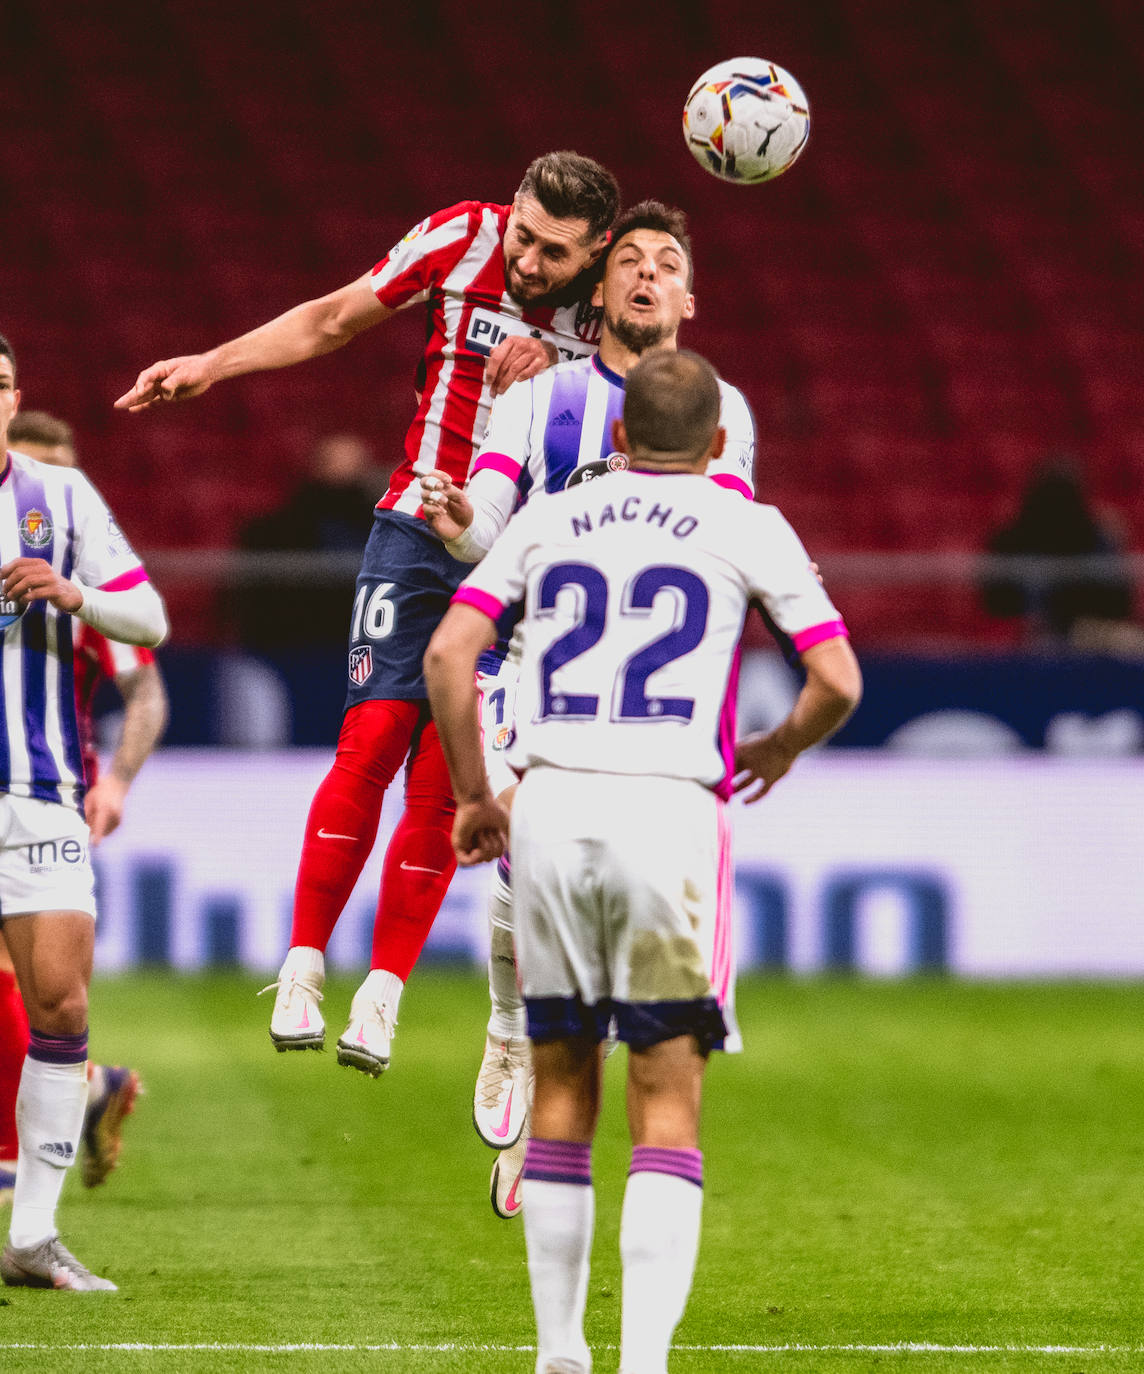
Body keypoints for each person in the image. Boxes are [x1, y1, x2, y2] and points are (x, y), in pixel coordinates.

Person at [115, 152, 621, 1076]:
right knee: (374, 736)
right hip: (417, 529)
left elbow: (657, 395)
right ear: (507, 212)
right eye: (524, 236)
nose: (531, 263)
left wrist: (563, 372)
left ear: (596, 251)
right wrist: (212, 364)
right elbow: (333, 319)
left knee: (444, 775)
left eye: (555, 252)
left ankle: (384, 996)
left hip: (524, 561)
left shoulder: (608, 312)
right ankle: (304, 965)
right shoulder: (461, 233)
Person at [424, 349, 861, 1374]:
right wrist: (780, 745)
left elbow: (450, 653)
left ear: (617, 438)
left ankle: (557, 1355)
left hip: (552, 807)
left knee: (563, 1089)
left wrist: (474, 796)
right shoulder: (745, 521)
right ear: (719, 446)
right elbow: (834, 678)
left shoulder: (549, 519)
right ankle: (644, 1365)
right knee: (665, 1099)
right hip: (667, 817)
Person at [420, 201, 755, 1216]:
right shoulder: (543, 395)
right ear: (598, 291)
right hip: (535, 677)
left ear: (688, 299)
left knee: (636, 970)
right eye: (631, 263)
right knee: (527, 836)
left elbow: (727, 540)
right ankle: (510, 1030)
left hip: (660, 719)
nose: (648, 276)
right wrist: (457, 520)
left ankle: (539, 1132)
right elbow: (485, 522)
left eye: (668, 265)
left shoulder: (722, 408)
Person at [0, 336, 169, 1291]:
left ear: (14, 394)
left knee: (60, 1006)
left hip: (41, 793)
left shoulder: (60, 502)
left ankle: (31, 1238)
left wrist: (73, 592)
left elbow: (148, 622)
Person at [231, 432, 385, 653]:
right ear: (317, 468)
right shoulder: (276, 532)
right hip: (292, 646)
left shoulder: (380, 527)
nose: (344, 478)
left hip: (361, 645)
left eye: (355, 470)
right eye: (335, 466)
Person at [981, 454, 1141, 652]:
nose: (1058, 511)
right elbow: (992, 606)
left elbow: (1118, 609)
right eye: (1049, 498)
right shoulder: (1009, 541)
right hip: (1019, 650)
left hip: (1088, 642)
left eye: (1065, 497)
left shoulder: (1101, 540)